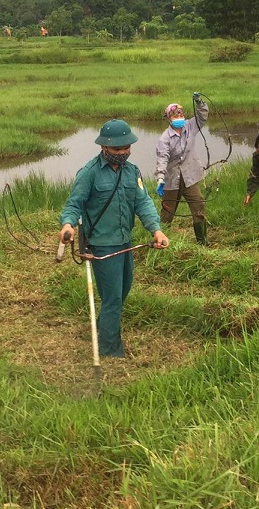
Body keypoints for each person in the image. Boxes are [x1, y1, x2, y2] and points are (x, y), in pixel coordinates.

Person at [60, 120, 169, 358]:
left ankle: (102, 329)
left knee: (123, 290)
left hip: (124, 241)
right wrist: (67, 225)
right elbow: (74, 204)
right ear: (104, 148)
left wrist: (156, 230)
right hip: (101, 244)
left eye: (126, 148)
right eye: (117, 149)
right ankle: (110, 350)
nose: (123, 153)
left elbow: (143, 202)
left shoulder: (133, 172)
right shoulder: (89, 173)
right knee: (113, 298)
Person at [154, 92, 210, 245]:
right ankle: (162, 242)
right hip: (172, 180)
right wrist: (160, 178)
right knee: (167, 212)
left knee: (199, 206)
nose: (178, 117)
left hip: (190, 177)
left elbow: (202, 116)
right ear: (168, 118)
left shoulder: (190, 126)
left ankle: (202, 241)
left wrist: (200, 103)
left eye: (180, 114)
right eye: (174, 115)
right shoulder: (164, 139)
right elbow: (162, 158)